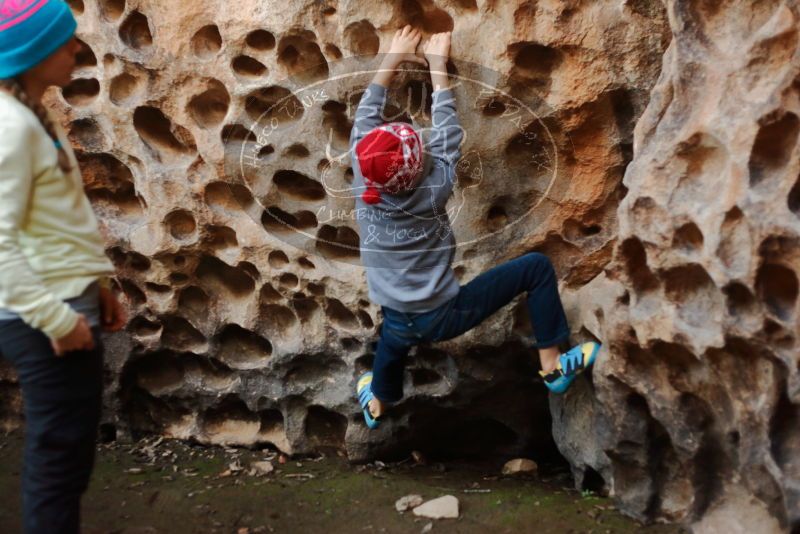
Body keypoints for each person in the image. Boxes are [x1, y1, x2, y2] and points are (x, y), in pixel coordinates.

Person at [351, 26, 600, 428]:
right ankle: (552, 365)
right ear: (421, 166)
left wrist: (391, 56)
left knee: (392, 347)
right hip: (445, 314)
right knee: (535, 268)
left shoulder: (364, 181)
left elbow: (366, 115)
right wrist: (437, 66)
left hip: (396, 316)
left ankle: (378, 403)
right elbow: (448, 129)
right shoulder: (435, 187)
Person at [0, 1, 126, 532]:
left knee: (69, 451)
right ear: (32, 52)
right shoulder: (11, 127)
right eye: (66, 40)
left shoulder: (33, 112)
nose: (78, 48)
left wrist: (97, 285)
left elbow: (57, 220)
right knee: (59, 458)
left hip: (67, 297)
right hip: (46, 314)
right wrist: (56, 319)